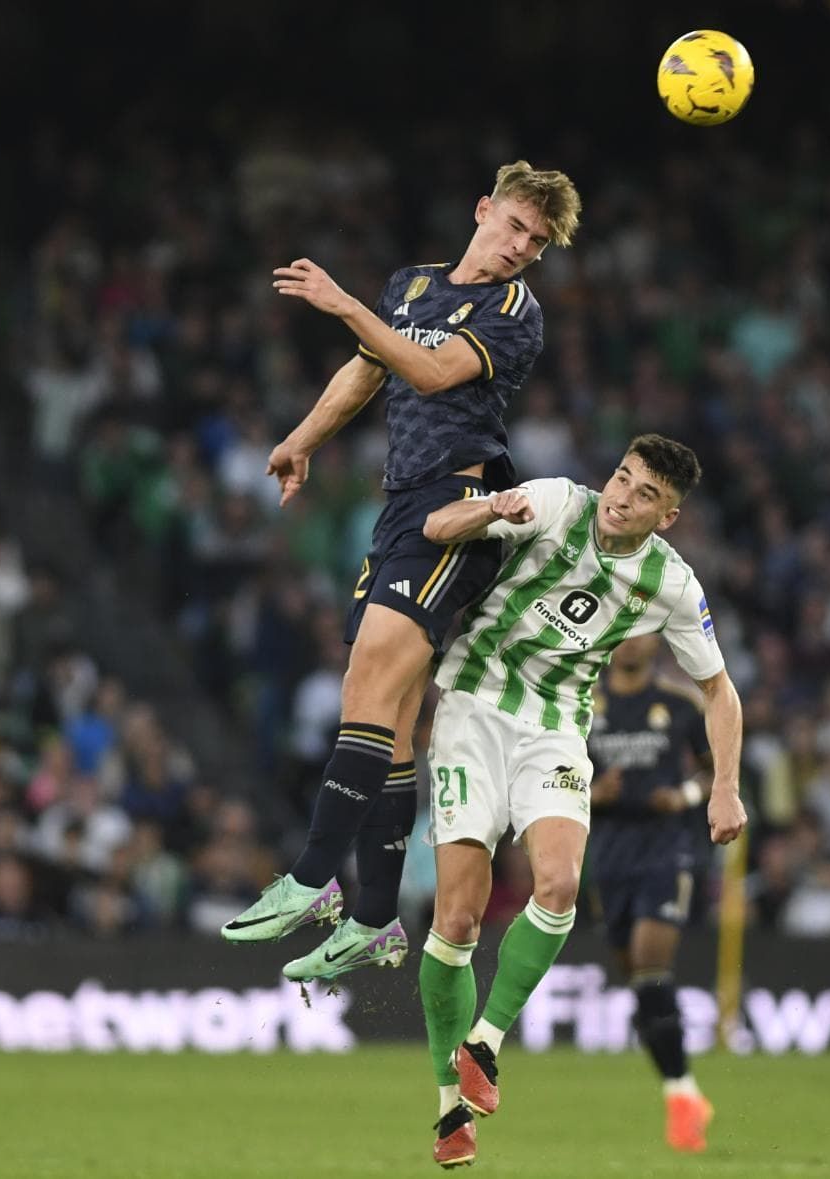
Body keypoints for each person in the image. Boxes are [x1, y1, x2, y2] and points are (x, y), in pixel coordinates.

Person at [219, 162, 583, 970]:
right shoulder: (413, 286)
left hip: (460, 508)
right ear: (483, 208)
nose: (522, 246)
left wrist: (345, 302)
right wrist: (303, 440)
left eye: (538, 240)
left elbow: (429, 369)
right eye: (515, 225)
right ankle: (375, 920)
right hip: (402, 510)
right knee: (385, 728)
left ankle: (313, 877)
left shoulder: (516, 312)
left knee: (364, 690)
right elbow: (366, 368)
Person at [352, 435, 745, 1167]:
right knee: (458, 918)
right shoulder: (560, 501)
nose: (623, 496)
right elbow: (435, 527)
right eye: (623, 477)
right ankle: (448, 1108)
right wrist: (486, 512)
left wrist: (724, 786)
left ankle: (486, 1043)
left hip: (557, 729)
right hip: (471, 709)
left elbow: (719, 689)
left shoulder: (671, 583)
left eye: (644, 494)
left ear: (668, 516)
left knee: (560, 884)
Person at [585, 631, 720, 1151]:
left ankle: (683, 1098)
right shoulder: (581, 701)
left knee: (649, 963)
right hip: (610, 857)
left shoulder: (679, 704)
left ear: (656, 640)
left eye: (643, 632)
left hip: (667, 853)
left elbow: (716, 772)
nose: (631, 643)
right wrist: (593, 793)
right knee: (640, 986)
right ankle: (681, 1091)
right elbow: (553, 775)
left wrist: (682, 795)